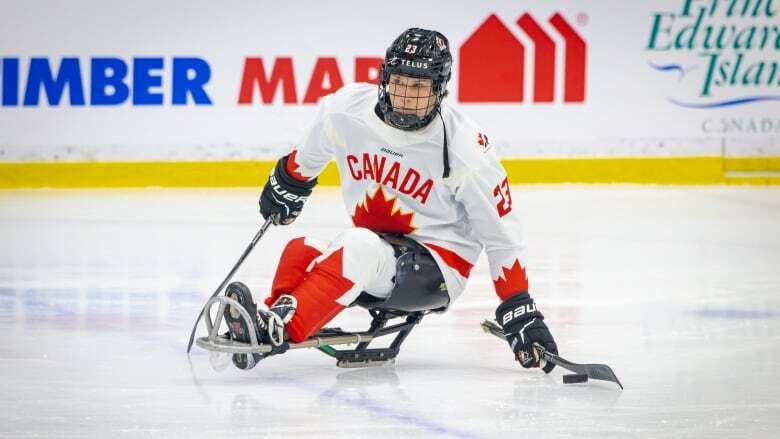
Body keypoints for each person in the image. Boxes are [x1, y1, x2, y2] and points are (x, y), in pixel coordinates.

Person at [223, 28, 558, 372]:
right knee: (301, 248)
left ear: (439, 89)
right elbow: (309, 153)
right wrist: (290, 181)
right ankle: (271, 319)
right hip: (379, 251)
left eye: (418, 87)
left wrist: (518, 306)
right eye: (399, 82)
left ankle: (272, 335)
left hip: (438, 269)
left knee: (358, 246)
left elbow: (502, 235)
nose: (405, 97)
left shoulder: (465, 149)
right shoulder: (347, 110)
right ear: (384, 78)